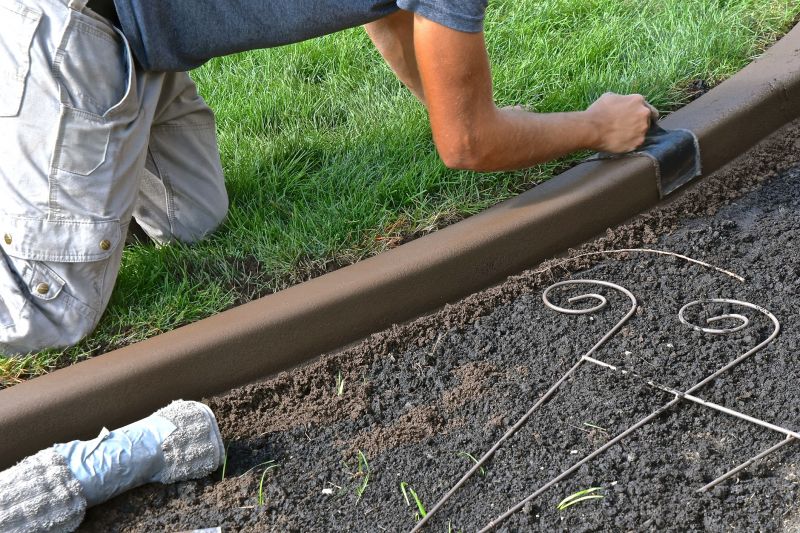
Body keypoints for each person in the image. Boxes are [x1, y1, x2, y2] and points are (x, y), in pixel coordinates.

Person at [0, 0, 654, 355]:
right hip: (69, 27)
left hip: (143, 47)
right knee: (50, 310)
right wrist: (597, 128)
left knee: (192, 221)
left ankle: (44, 160)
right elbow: (467, 146)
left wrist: (460, 106)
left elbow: (387, 13)